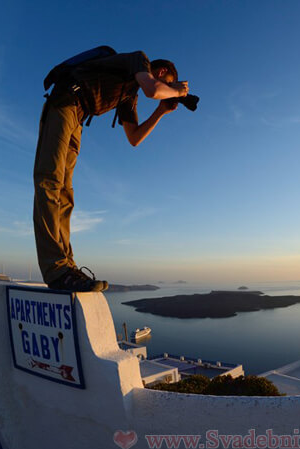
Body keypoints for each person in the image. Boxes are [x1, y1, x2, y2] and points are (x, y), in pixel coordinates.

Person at [33, 50, 188, 292]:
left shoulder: (129, 96)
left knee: (65, 192)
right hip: (65, 102)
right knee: (50, 182)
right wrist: (178, 90)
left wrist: (160, 112)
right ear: (160, 72)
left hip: (78, 117)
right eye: (167, 82)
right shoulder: (140, 60)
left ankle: (66, 266)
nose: (163, 92)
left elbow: (134, 138)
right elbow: (153, 89)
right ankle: (55, 269)